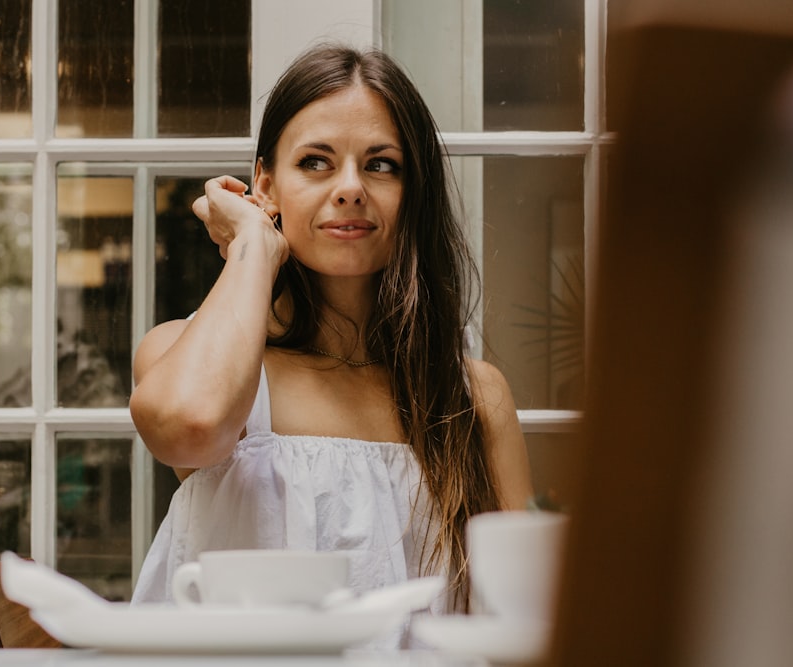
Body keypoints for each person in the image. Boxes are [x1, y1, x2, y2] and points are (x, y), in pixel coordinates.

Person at [129, 43, 532, 615]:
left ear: (413, 193)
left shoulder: (473, 397)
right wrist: (253, 242)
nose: (350, 188)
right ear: (264, 184)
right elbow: (191, 429)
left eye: (381, 164)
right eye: (315, 162)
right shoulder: (180, 351)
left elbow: (522, 614)